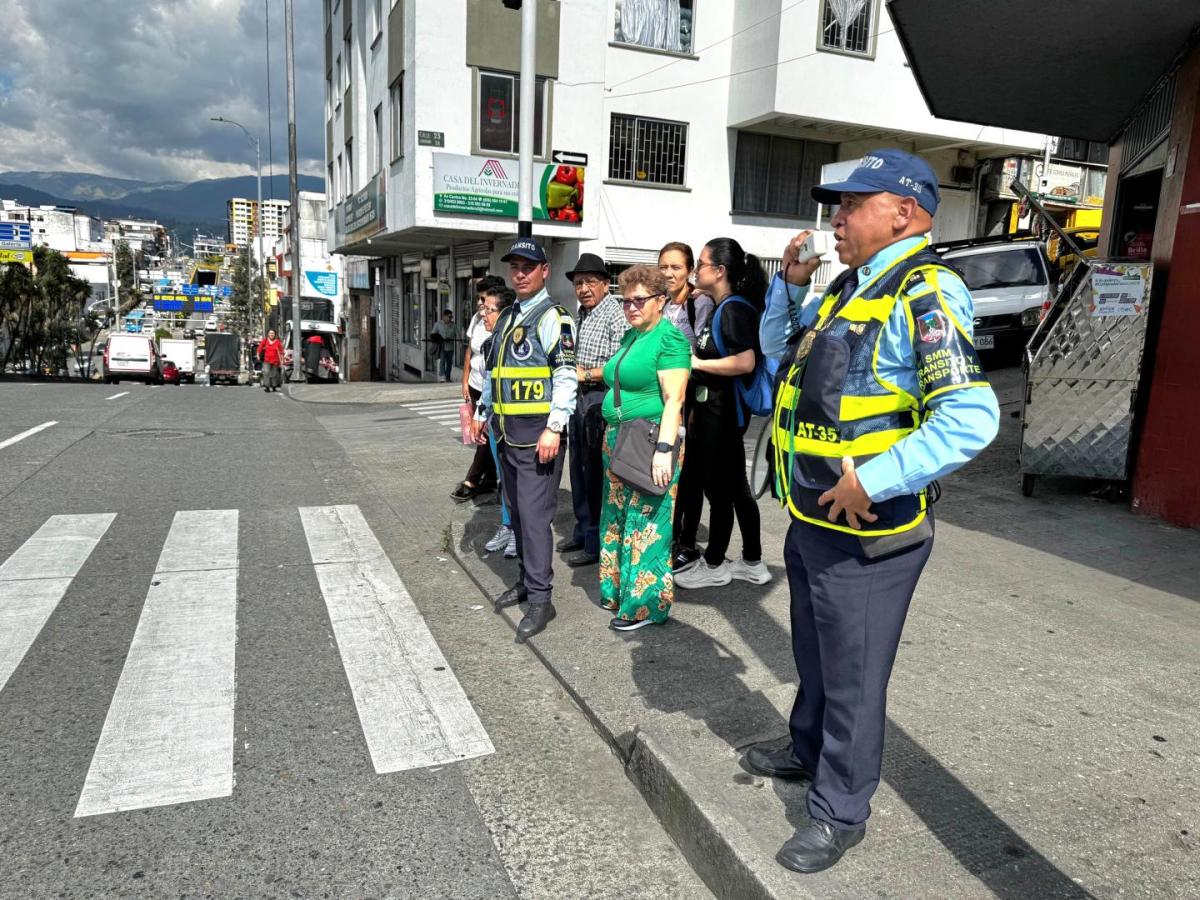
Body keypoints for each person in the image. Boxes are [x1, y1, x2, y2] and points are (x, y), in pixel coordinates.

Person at [746, 150, 1000, 874]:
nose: (837, 217)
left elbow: (971, 418)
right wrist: (787, 289)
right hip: (815, 523)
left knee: (854, 681)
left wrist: (878, 479)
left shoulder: (923, 292)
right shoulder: (851, 287)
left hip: (868, 538)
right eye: (839, 205)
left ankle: (839, 813)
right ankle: (804, 751)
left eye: (852, 204)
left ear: (904, 210)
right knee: (816, 663)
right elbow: (779, 361)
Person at [472, 237, 578, 642]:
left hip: (538, 437)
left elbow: (566, 376)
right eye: (515, 266)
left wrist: (555, 427)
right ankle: (525, 581)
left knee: (534, 520)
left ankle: (540, 598)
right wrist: (484, 412)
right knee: (516, 513)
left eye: (528, 267)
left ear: (544, 271)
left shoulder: (553, 317)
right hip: (506, 433)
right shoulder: (512, 314)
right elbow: (495, 372)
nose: (520, 273)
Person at [673, 238, 771, 590]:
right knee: (735, 489)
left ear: (720, 271)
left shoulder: (733, 309)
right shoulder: (719, 306)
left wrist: (698, 362)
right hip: (713, 411)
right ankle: (752, 561)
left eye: (700, 264)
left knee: (720, 491)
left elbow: (746, 361)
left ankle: (714, 564)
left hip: (723, 413)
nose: (696, 270)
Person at [598, 265, 691, 632]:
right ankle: (618, 591)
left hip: (650, 442)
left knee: (647, 522)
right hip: (621, 440)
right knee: (619, 518)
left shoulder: (669, 340)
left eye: (640, 300)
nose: (632, 306)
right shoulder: (631, 337)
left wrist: (665, 449)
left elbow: (675, 399)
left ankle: (645, 606)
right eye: (626, 301)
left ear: (661, 301)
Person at [559, 253, 628, 568]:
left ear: (604, 283)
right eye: (578, 283)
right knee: (578, 468)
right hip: (579, 395)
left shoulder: (615, 313)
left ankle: (596, 541)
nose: (583, 288)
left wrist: (585, 374)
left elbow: (619, 365)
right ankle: (583, 530)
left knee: (595, 472)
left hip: (600, 397)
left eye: (589, 281)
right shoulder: (583, 313)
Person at [657, 241, 715, 573]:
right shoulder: (661, 303)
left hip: (691, 398)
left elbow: (703, 351)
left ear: (690, 270)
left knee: (690, 474)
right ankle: (668, 535)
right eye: (664, 266)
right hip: (663, 395)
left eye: (676, 267)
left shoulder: (699, 303)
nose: (668, 273)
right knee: (668, 470)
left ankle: (687, 542)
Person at [452, 276, 506, 503]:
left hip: (491, 386)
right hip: (475, 384)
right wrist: (464, 381)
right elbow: (469, 351)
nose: (480, 305)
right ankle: (489, 479)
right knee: (482, 434)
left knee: (485, 434)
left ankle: (472, 479)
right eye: (479, 299)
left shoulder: (502, 321)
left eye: (484, 300)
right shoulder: (477, 319)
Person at [476, 285, 520, 559]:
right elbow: (488, 382)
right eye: (483, 308)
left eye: (489, 309)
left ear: (504, 313)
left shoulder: (514, 342)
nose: (484, 315)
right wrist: (482, 415)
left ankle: (518, 530)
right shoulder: (490, 341)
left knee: (516, 479)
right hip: (495, 419)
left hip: (515, 422)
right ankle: (507, 525)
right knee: (504, 478)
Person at [431, 309, 457, 382]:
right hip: (442, 346)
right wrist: (440, 338)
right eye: (449, 317)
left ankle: (448, 376)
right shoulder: (438, 324)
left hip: (450, 347)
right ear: (444, 316)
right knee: (442, 361)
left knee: (449, 362)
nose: (450, 318)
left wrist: (459, 342)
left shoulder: (453, 325)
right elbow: (433, 334)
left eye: (451, 317)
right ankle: (442, 376)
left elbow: (457, 335)